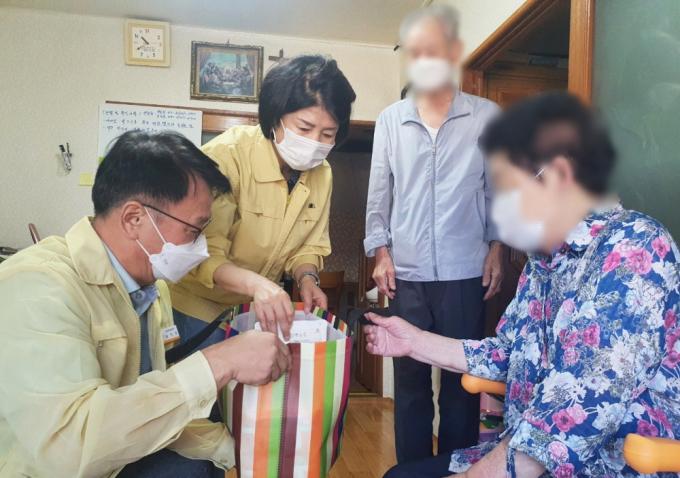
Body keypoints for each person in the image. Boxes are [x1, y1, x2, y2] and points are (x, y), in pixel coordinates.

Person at [368, 92, 680, 478]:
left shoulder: (635, 248)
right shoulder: (544, 261)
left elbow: (573, 415)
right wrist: (414, 341)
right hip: (526, 453)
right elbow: (509, 354)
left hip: (600, 467)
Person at [0, 131, 291, 478]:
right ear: (134, 219)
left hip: (116, 455)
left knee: (205, 465)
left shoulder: (152, 290)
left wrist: (242, 451)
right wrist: (219, 361)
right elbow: (68, 450)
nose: (201, 248)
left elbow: (151, 404)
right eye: (193, 230)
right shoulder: (37, 286)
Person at [364, 5, 504, 464]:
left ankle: (455, 469)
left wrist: (496, 248)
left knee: (463, 381)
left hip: (466, 269)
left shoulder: (486, 116)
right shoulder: (391, 119)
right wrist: (380, 252)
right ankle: (413, 471)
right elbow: (379, 193)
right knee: (409, 383)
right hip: (405, 273)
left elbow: (496, 189)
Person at [171, 54, 356, 347]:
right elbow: (201, 252)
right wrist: (259, 285)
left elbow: (309, 246)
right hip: (195, 308)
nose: (314, 143)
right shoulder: (226, 156)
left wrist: (307, 279)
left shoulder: (322, 174)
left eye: (327, 134)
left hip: (250, 311)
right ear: (275, 116)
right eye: (304, 128)